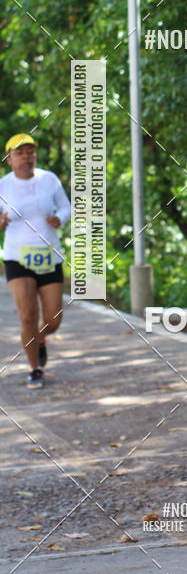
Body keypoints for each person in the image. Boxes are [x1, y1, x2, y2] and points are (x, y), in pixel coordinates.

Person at [0, 134, 71, 389]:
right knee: (27, 315)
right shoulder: (3, 186)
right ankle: (34, 369)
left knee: (53, 320)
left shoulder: (49, 179)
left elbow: (66, 207)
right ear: (9, 159)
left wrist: (59, 219)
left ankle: (40, 337)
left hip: (48, 255)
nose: (27, 157)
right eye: (20, 153)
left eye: (31, 152)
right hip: (17, 257)